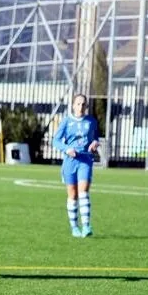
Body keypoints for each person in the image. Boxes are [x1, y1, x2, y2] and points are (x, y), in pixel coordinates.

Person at [52, 93, 99, 238]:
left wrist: (95, 143)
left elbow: (95, 137)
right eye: (78, 104)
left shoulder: (91, 121)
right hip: (70, 161)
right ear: (73, 105)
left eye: (83, 104)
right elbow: (56, 141)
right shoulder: (67, 121)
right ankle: (74, 227)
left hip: (85, 160)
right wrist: (67, 149)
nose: (81, 107)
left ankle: (86, 226)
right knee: (73, 195)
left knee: (83, 191)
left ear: (86, 106)